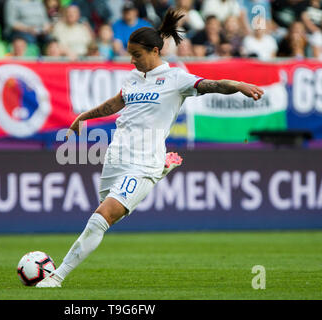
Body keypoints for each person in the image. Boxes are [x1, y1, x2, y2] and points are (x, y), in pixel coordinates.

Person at [34, 8, 265, 288]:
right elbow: (115, 103)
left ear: (155, 51)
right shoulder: (133, 79)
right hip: (116, 158)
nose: (132, 60)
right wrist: (85, 116)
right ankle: (163, 167)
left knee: (100, 218)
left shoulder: (176, 79)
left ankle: (56, 277)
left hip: (143, 164)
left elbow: (212, 85)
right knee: (106, 216)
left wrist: (238, 84)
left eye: (137, 55)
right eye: (130, 55)